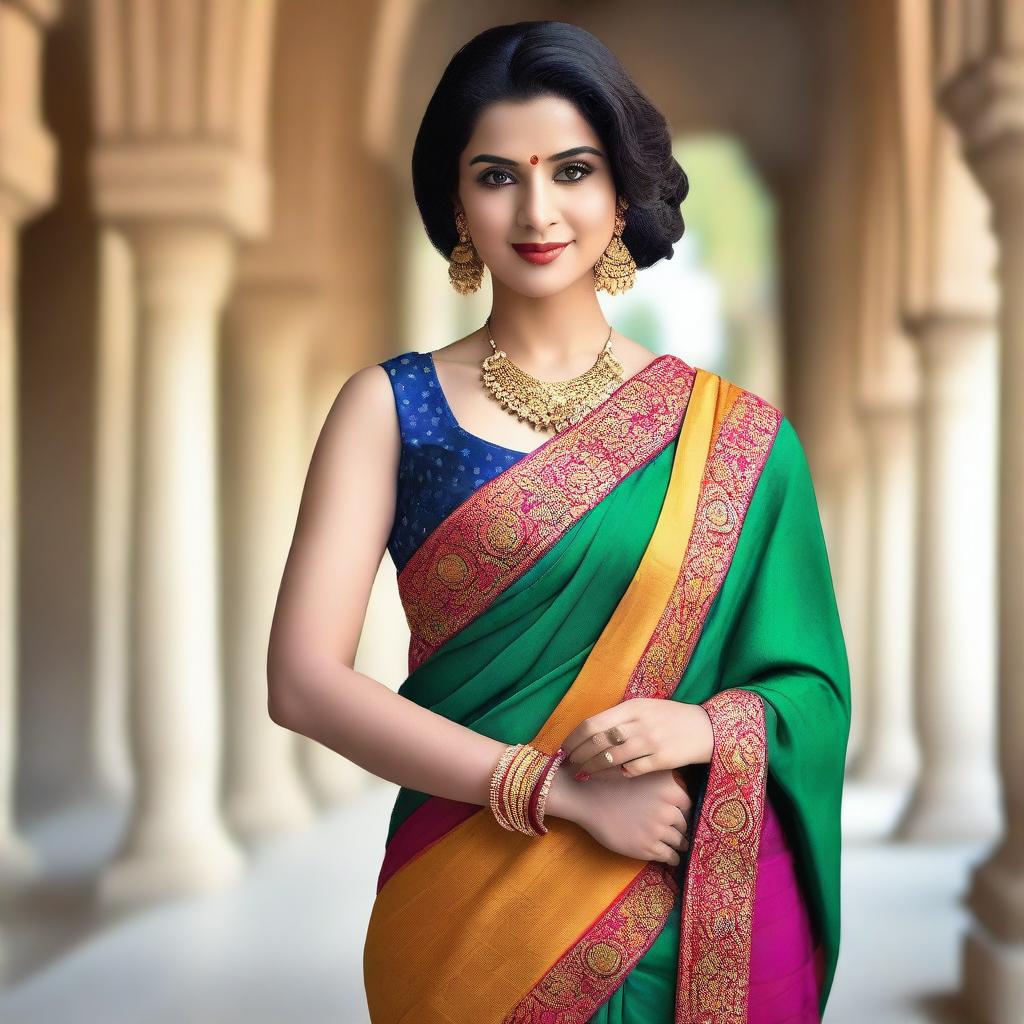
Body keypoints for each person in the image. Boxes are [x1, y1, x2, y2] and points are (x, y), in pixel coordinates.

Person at [267, 19, 851, 1024]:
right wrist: (557, 791)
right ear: (455, 200)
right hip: (459, 921)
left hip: (666, 921)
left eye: (571, 170)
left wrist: (704, 726)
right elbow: (303, 682)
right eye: (497, 176)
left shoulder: (738, 440)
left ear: (618, 190)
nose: (537, 210)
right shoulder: (391, 408)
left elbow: (811, 689)